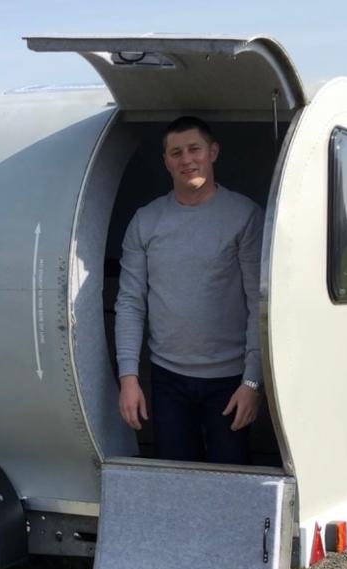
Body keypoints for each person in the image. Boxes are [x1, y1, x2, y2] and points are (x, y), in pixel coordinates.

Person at [114, 116, 263, 464]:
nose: (187, 159)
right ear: (166, 160)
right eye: (176, 152)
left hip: (230, 381)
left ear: (212, 152)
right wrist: (128, 379)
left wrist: (253, 383)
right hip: (168, 380)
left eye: (194, 149)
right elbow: (130, 303)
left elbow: (259, 303)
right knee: (176, 478)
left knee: (231, 480)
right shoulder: (146, 221)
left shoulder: (243, 216)